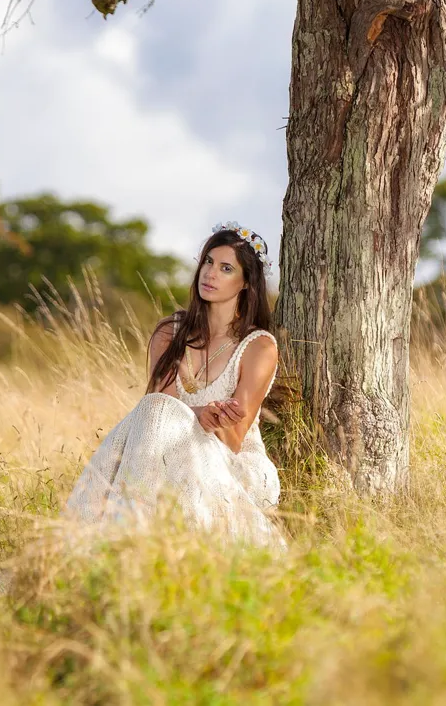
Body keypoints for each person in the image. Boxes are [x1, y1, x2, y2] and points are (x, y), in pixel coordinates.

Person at [62, 222, 285, 547]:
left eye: (225, 268)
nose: (210, 273)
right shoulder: (170, 332)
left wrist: (216, 420)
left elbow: (235, 439)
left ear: (246, 282)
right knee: (152, 410)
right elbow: (157, 414)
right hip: (163, 453)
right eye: (208, 262)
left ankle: (126, 535)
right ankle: (123, 538)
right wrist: (199, 413)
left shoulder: (258, 347)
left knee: (157, 418)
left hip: (233, 463)